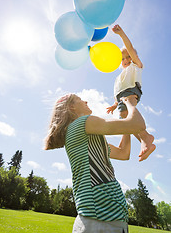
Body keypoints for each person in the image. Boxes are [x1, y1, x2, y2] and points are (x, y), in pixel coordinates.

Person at [44, 93, 147, 233]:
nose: (85, 101)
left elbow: (123, 153)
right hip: (101, 217)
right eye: (80, 99)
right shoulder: (82, 124)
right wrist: (130, 104)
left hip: (108, 216)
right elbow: (138, 125)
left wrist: (124, 117)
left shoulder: (88, 137)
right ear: (72, 107)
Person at [107, 25, 156, 161]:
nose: (126, 60)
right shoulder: (119, 77)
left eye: (128, 56)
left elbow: (129, 48)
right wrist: (114, 104)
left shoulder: (136, 66)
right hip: (122, 97)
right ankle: (145, 140)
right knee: (125, 119)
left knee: (128, 113)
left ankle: (146, 138)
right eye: (122, 59)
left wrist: (121, 34)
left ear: (134, 56)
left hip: (131, 91)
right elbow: (118, 92)